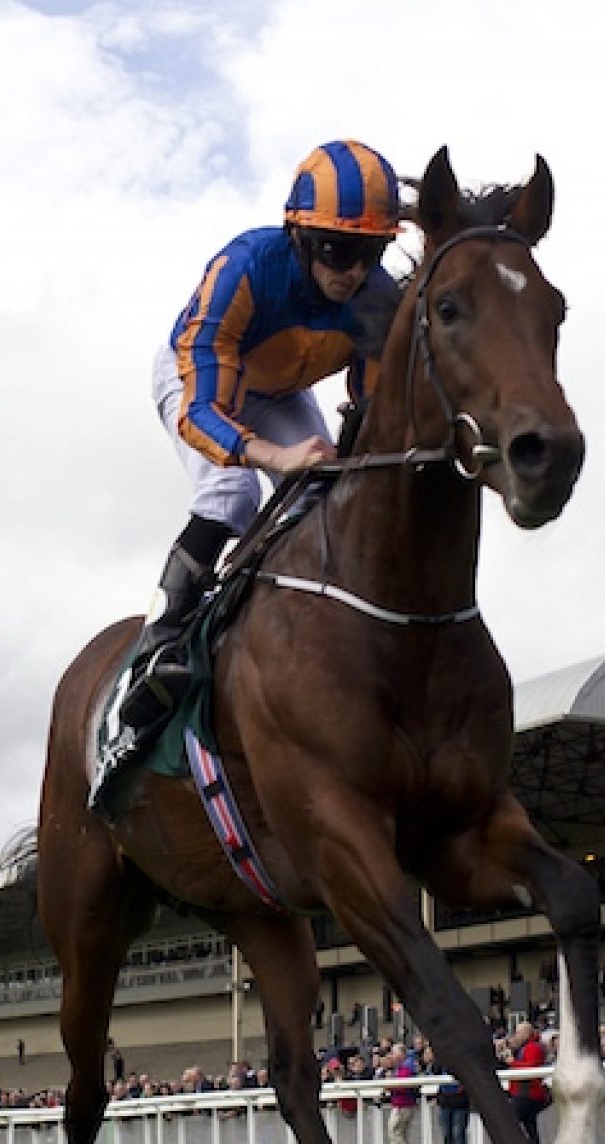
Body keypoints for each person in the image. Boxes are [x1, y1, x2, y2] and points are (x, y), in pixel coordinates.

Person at [115, 139, 405, 735]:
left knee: (322, 496)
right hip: (199, 381)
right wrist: (276, 455)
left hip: (280, 391)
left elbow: (370, 410)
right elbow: (201, 413)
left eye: (370, 253)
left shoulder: (377, 297)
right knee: (233, 495)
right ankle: (157, 648)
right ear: (300, 237)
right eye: (338, 250)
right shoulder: (243, 268)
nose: (353, 272)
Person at [506, 1020, 549, 1144]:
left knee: (510, 1121)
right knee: (530, 1126)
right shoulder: (526, 1047)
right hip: (524, 1092)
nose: (516, 1036)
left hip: (527, 1093)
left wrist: (512, 1063)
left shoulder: (533, 1047)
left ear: (526, 1033)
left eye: (518, 1033)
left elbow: (531, 1066)